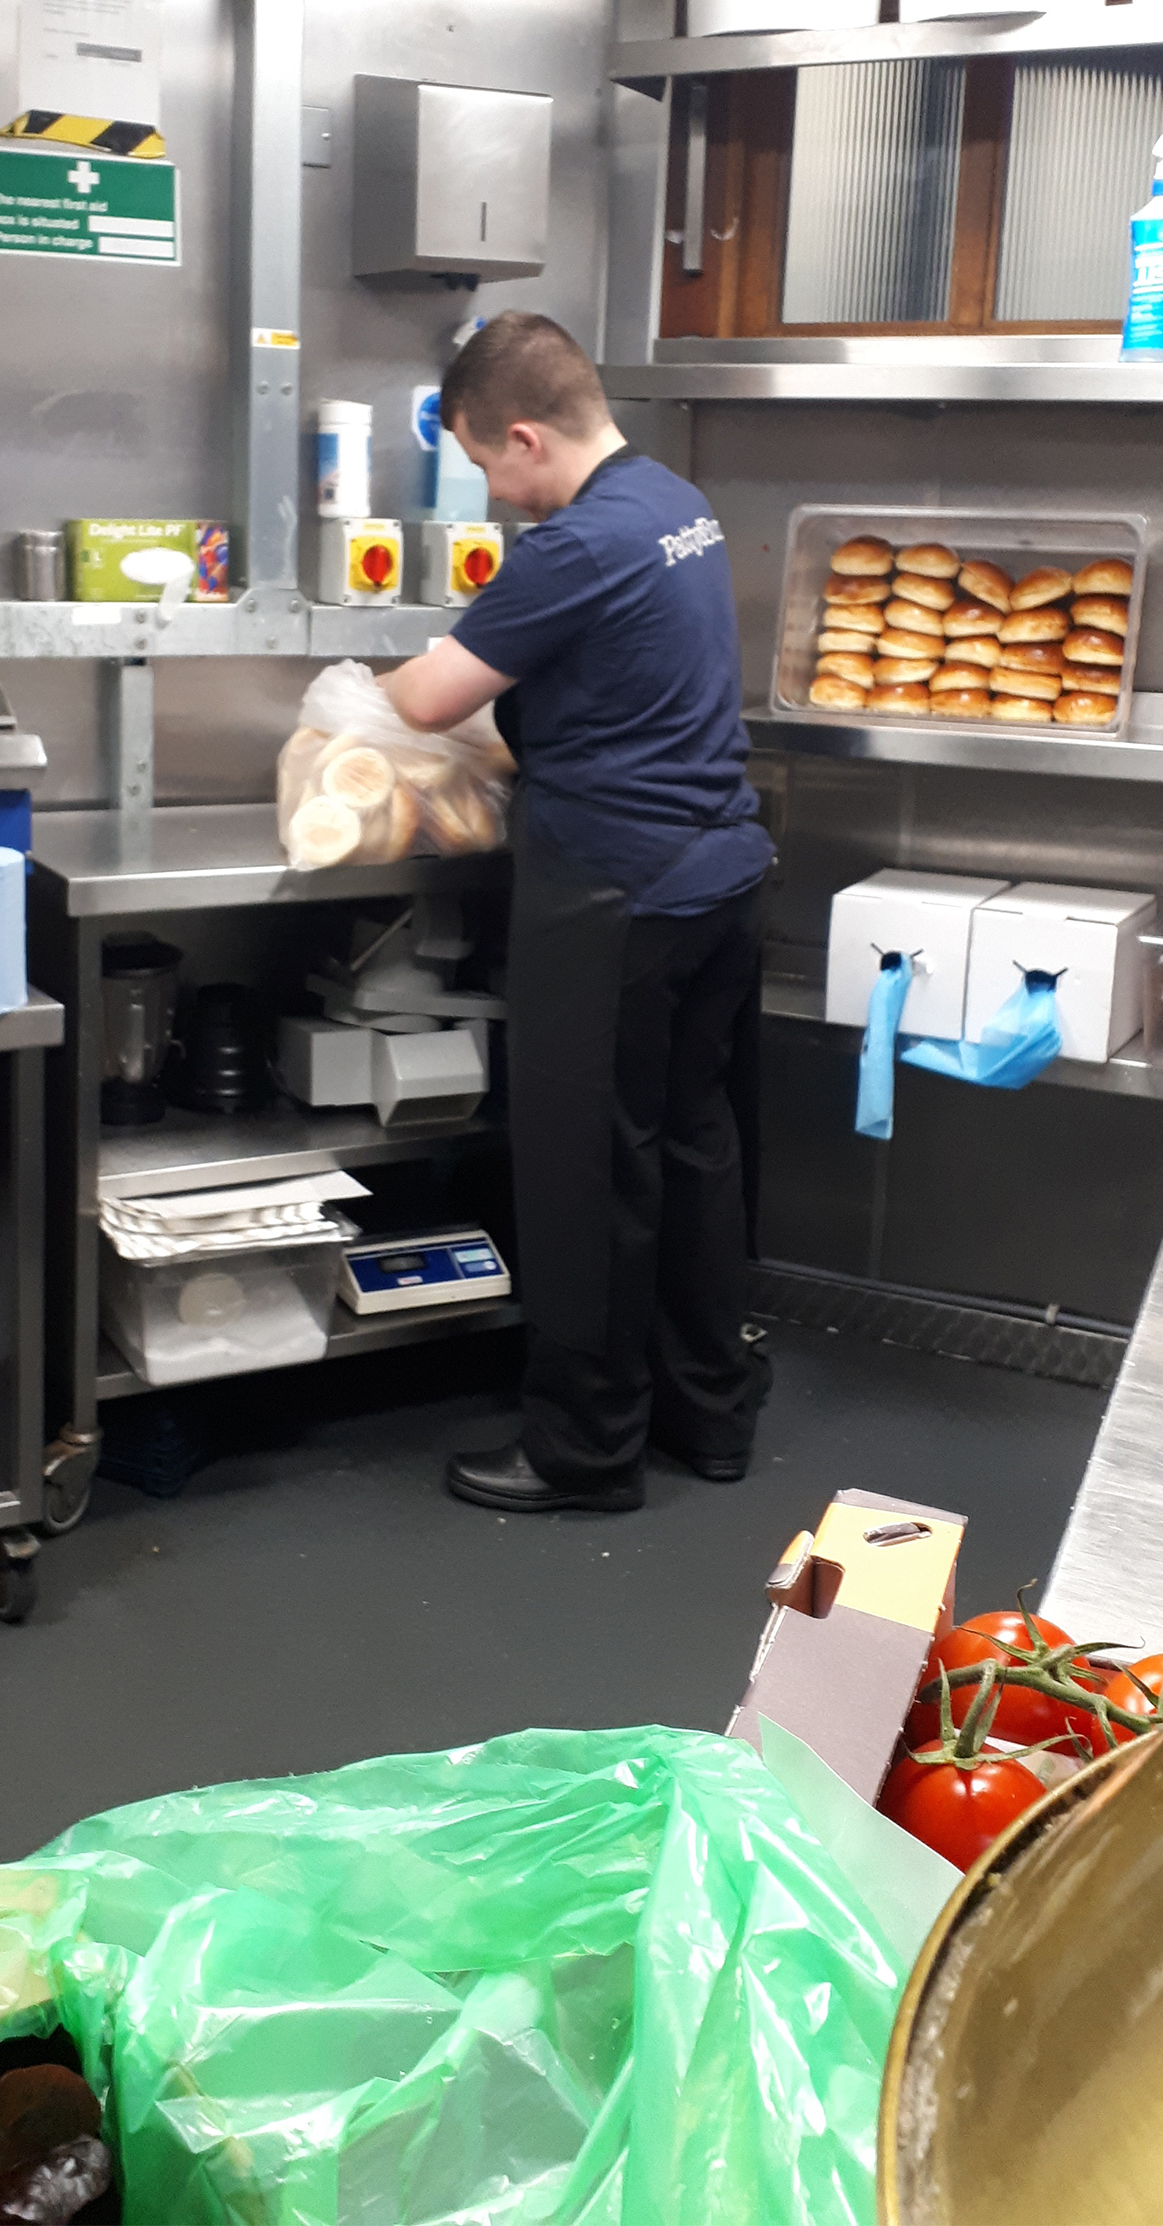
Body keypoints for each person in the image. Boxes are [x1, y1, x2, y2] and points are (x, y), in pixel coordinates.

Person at [379, 313, 774, 1515]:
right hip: (721, 876)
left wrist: (358, 689)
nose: (497, 498)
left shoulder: (574, 545)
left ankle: (584, 1450)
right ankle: (707, 1413)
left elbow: (426, 696)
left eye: (485, 468)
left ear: (521, 434)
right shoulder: (671, 501)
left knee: (588, 1172)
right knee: (695, 1151)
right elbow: (615, 678)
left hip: (618, 893)